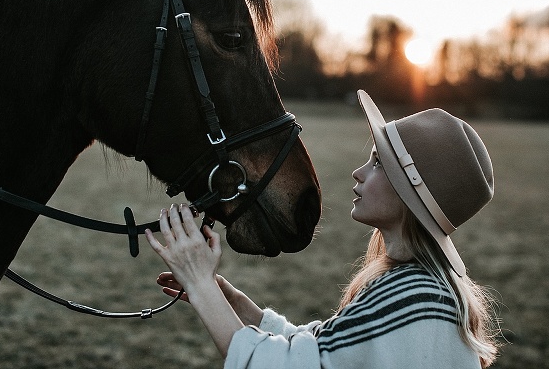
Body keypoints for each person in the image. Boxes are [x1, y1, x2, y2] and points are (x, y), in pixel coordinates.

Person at [145, 90, 501, 368]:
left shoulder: (414, 297)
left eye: (378, 162)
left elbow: (279, 367)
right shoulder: (419, 289)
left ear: (411, 193)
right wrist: (231, 300)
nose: (358, 172)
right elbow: (320, 350)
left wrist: (201, 284)